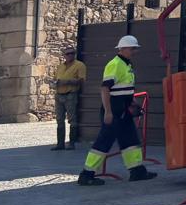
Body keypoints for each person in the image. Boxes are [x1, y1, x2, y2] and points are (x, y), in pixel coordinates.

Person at [77, 34, 157, 185]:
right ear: (124, 48)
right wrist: (108, 112)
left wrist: (132, 102)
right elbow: (105, 89)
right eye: (133, 48)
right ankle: (86, 175)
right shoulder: (115, 64)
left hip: (123, 110)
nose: (135, 51)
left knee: (131, 141)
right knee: (103, 143)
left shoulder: (127, 64)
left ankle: (137, 171)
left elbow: (125, 88)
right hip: (114, 110)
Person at [50, 45, 86, 150]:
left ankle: (71, 143)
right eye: (68, 54)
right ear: (64, 55)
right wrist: (54, 83)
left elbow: (81, 80)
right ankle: (60, 143)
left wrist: (67, 81)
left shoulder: (80, 65)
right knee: (59, 119)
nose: (70, 55)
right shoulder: (60, 67)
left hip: (71, 94)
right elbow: (56, 78)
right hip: (59, 94)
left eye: (72, 53)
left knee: (72, 119)